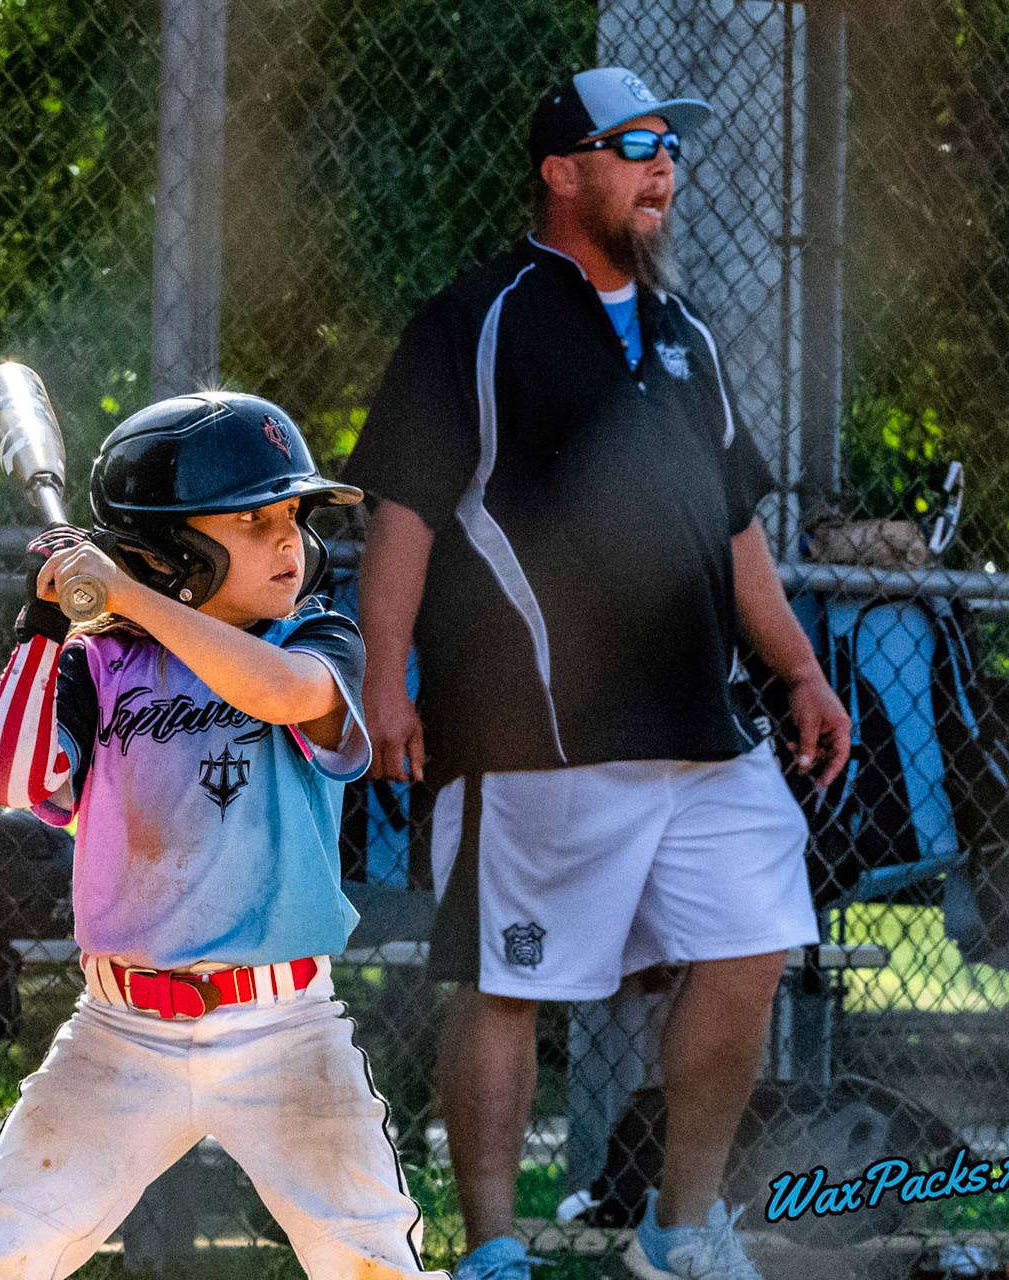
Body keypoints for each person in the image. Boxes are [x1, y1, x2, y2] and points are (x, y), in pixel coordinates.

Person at [342, 68, 852, 1280]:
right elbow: (403, 511)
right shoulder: (475, 318)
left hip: (702, 728)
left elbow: (737, 539)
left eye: (669, 147)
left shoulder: (688, 340)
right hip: (534, 727)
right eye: (633, 147)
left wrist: (799, 671)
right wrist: (384, 676)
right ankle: (496, 1246)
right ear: (561, 170)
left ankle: (679, 1228)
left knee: (754, 942)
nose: (662, 167)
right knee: (510, 985)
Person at [0, 393, 445, 1279]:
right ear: (168, 547)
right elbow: (12, 778)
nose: (288, 543)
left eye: (293, 519)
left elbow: (280, 694)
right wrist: (46, 631)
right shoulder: (99, 663)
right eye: (253, 521)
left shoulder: (317, 637)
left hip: (284, 1025)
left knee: (370, 1262)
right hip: (119, 1031)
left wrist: (125, 594)